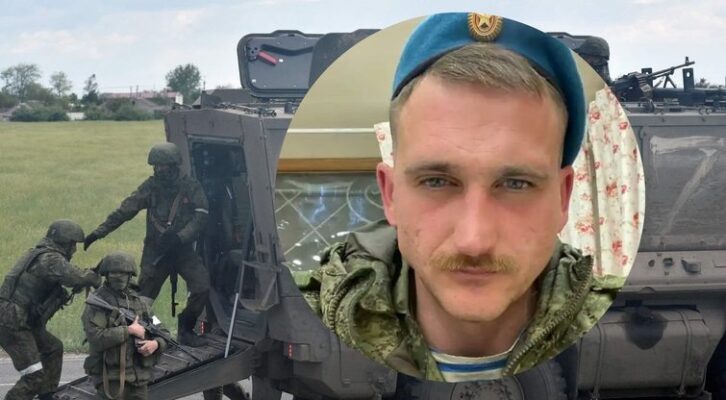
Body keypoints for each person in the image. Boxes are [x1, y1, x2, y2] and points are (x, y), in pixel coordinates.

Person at [295, 13, 625, 382]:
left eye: (516, 184)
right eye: (437, 182)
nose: (474, 240)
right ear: (390, 195)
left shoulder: (610, 311)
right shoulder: (315, 309)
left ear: (563, 199)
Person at [83, 142, 211, 346]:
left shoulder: (190, 186)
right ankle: (147, 334)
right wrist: (98, 233)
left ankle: (186, 328)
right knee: (142, 300)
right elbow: (124, 211)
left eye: (163, 166)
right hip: (156, 252)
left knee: (201, 287)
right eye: (156, 166)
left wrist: (181, 236)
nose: (159, 170)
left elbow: (201, 215)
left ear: (173, 165)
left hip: (183, 251)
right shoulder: (150, 187)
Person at [0, 219, 101, 400]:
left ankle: (47, 395)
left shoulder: (40, 254)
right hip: (13, 322)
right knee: (34, 377)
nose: (74, 250)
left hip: (20, 320)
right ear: (64, 242)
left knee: (53, 348)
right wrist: (93, 276)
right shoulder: (50, 259)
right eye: (73, 245)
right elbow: (76, 277)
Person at [82, 251, 168, 400]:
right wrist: (129, 330)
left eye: (123, 273)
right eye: (114, 273)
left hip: (138, 379)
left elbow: (162, 330)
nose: (119, 276)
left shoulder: (140, 304)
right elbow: (95, 337)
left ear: (130, 275)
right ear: (106, 275)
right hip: (111, 378)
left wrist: (156, 344)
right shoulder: (98, 303)